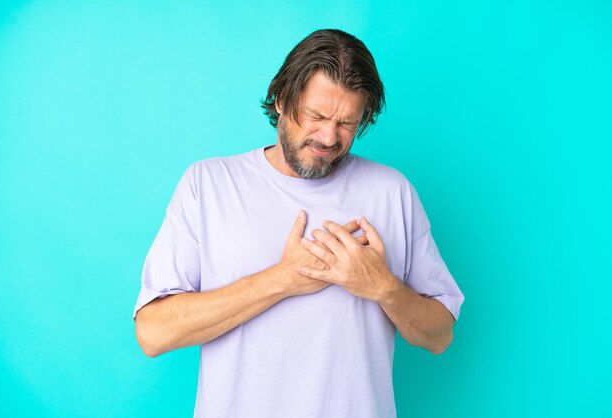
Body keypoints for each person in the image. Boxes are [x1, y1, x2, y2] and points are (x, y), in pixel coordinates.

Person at [133, 28, 464, 418]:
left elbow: (440, 335)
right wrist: (282, 279)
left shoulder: (392, 193)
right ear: (280, 97)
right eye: (317, 115)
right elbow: (153, 333)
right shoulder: (208, 185)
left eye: (347, 123)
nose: (329, 136)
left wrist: (382, 287)